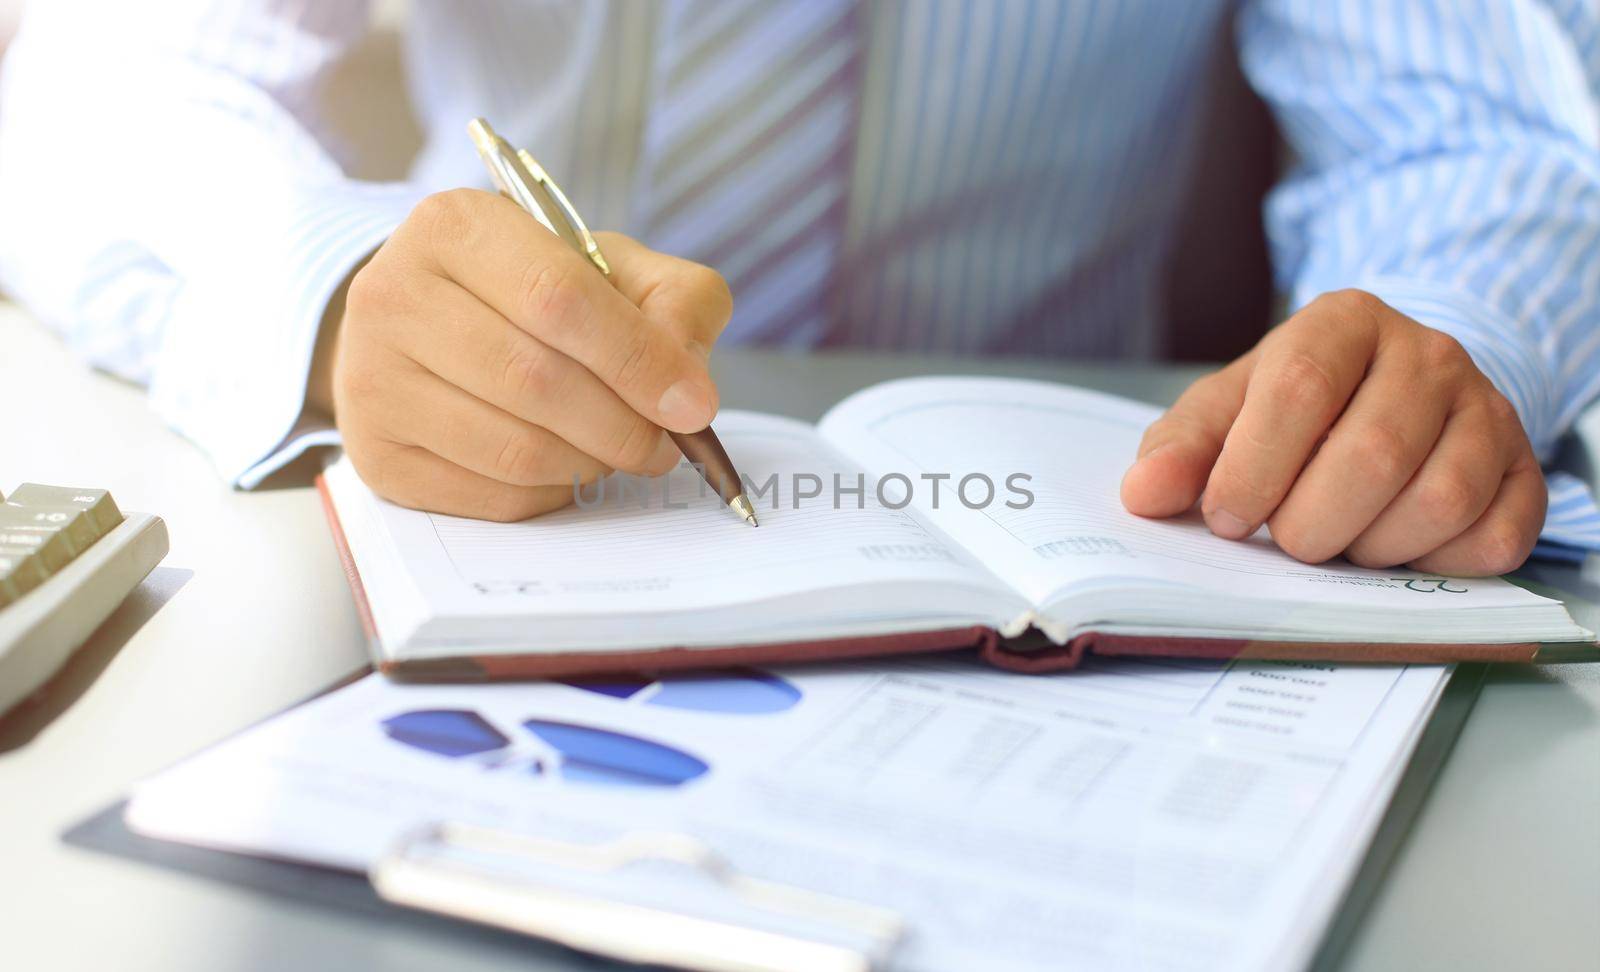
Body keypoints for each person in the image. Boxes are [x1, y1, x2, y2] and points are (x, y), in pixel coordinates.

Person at [1, 1, 1596, 576]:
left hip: (1091, 544)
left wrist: (1443, 334)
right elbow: (103, 84)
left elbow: (1480, 124)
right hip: (457, 521)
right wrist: (341, 294)